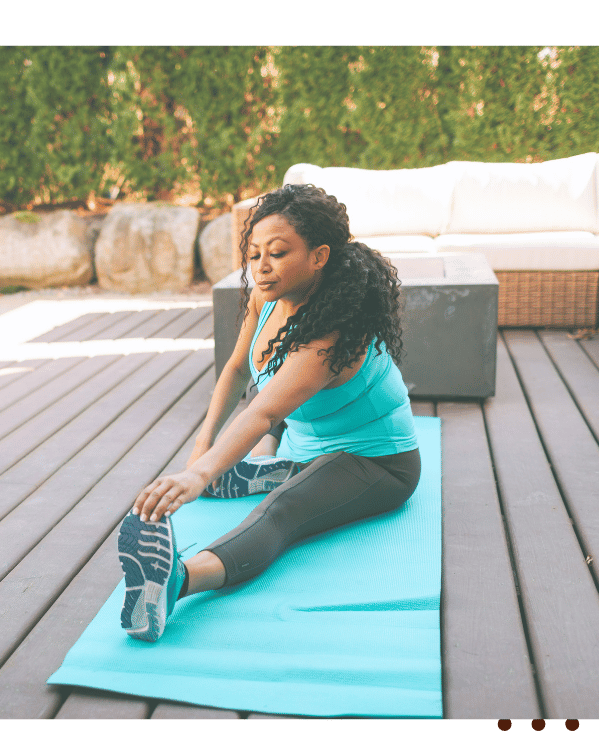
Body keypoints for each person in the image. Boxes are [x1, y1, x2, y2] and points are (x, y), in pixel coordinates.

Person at [118, 183, 422, 642]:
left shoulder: (334, 335)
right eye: (254, 252)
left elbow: (261, 413)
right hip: (310, 439)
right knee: (267, 420)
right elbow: (238, 369)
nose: (260, 266)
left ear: (319, 256)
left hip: (376, 461)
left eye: (277, 253)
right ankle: (280, 466)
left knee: (281, 512)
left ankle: (177, 580)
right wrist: (202, 449)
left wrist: (198, 476)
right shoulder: (268, 297)